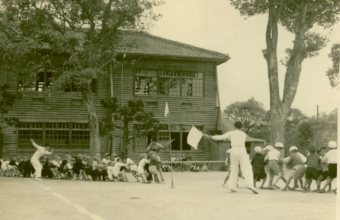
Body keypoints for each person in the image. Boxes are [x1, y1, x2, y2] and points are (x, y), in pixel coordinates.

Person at [203, 121, 258, 194]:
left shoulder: (231, 133)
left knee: (234, 168)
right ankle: (250, 184)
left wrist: (210, 137)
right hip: (242, 149)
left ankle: (232, 187)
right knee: (247, 167)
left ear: (234, 126)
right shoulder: (244, 134)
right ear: (241, 127)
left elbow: (221, 137)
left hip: (233, 149)